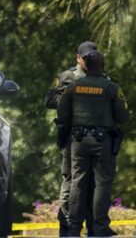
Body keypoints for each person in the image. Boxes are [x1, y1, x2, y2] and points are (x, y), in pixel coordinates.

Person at [57, 50, 128, 236]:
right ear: (102, 65)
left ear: (85, 65)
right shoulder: (111, 88)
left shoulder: (73, 86)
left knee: (77, 183)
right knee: (101, 184)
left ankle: (73, 229)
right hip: (102, 141)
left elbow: (62, 114)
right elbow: (123, 116)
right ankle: (99, 228)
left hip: (78, 142)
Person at [45, 41, 97, 236]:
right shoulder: (68, 76)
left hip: (95, 139)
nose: (89, 60)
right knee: (71, 181)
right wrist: (72, 98)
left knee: (94, 183)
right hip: (72, 138)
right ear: (78, 58)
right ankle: (66, 226)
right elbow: (49, 100)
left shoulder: (101, 77)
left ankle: (94, 228)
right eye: (86, 57)